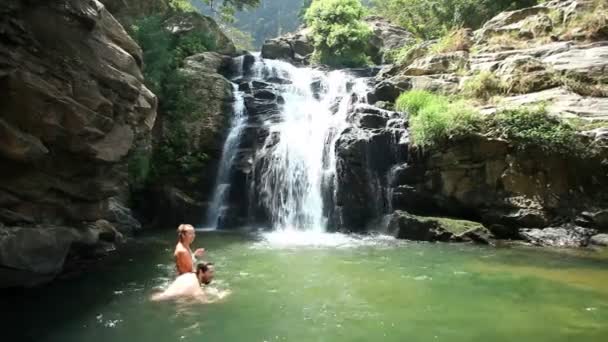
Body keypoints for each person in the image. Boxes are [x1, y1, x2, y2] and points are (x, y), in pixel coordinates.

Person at [151, 262, 216, 302]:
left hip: (159, 297)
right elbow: (207, 302)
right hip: (165, 302)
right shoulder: (196, 288)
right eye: (210, 272)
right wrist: (222, 296)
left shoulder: (189, 275)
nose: (212, 275)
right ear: (201, 272)